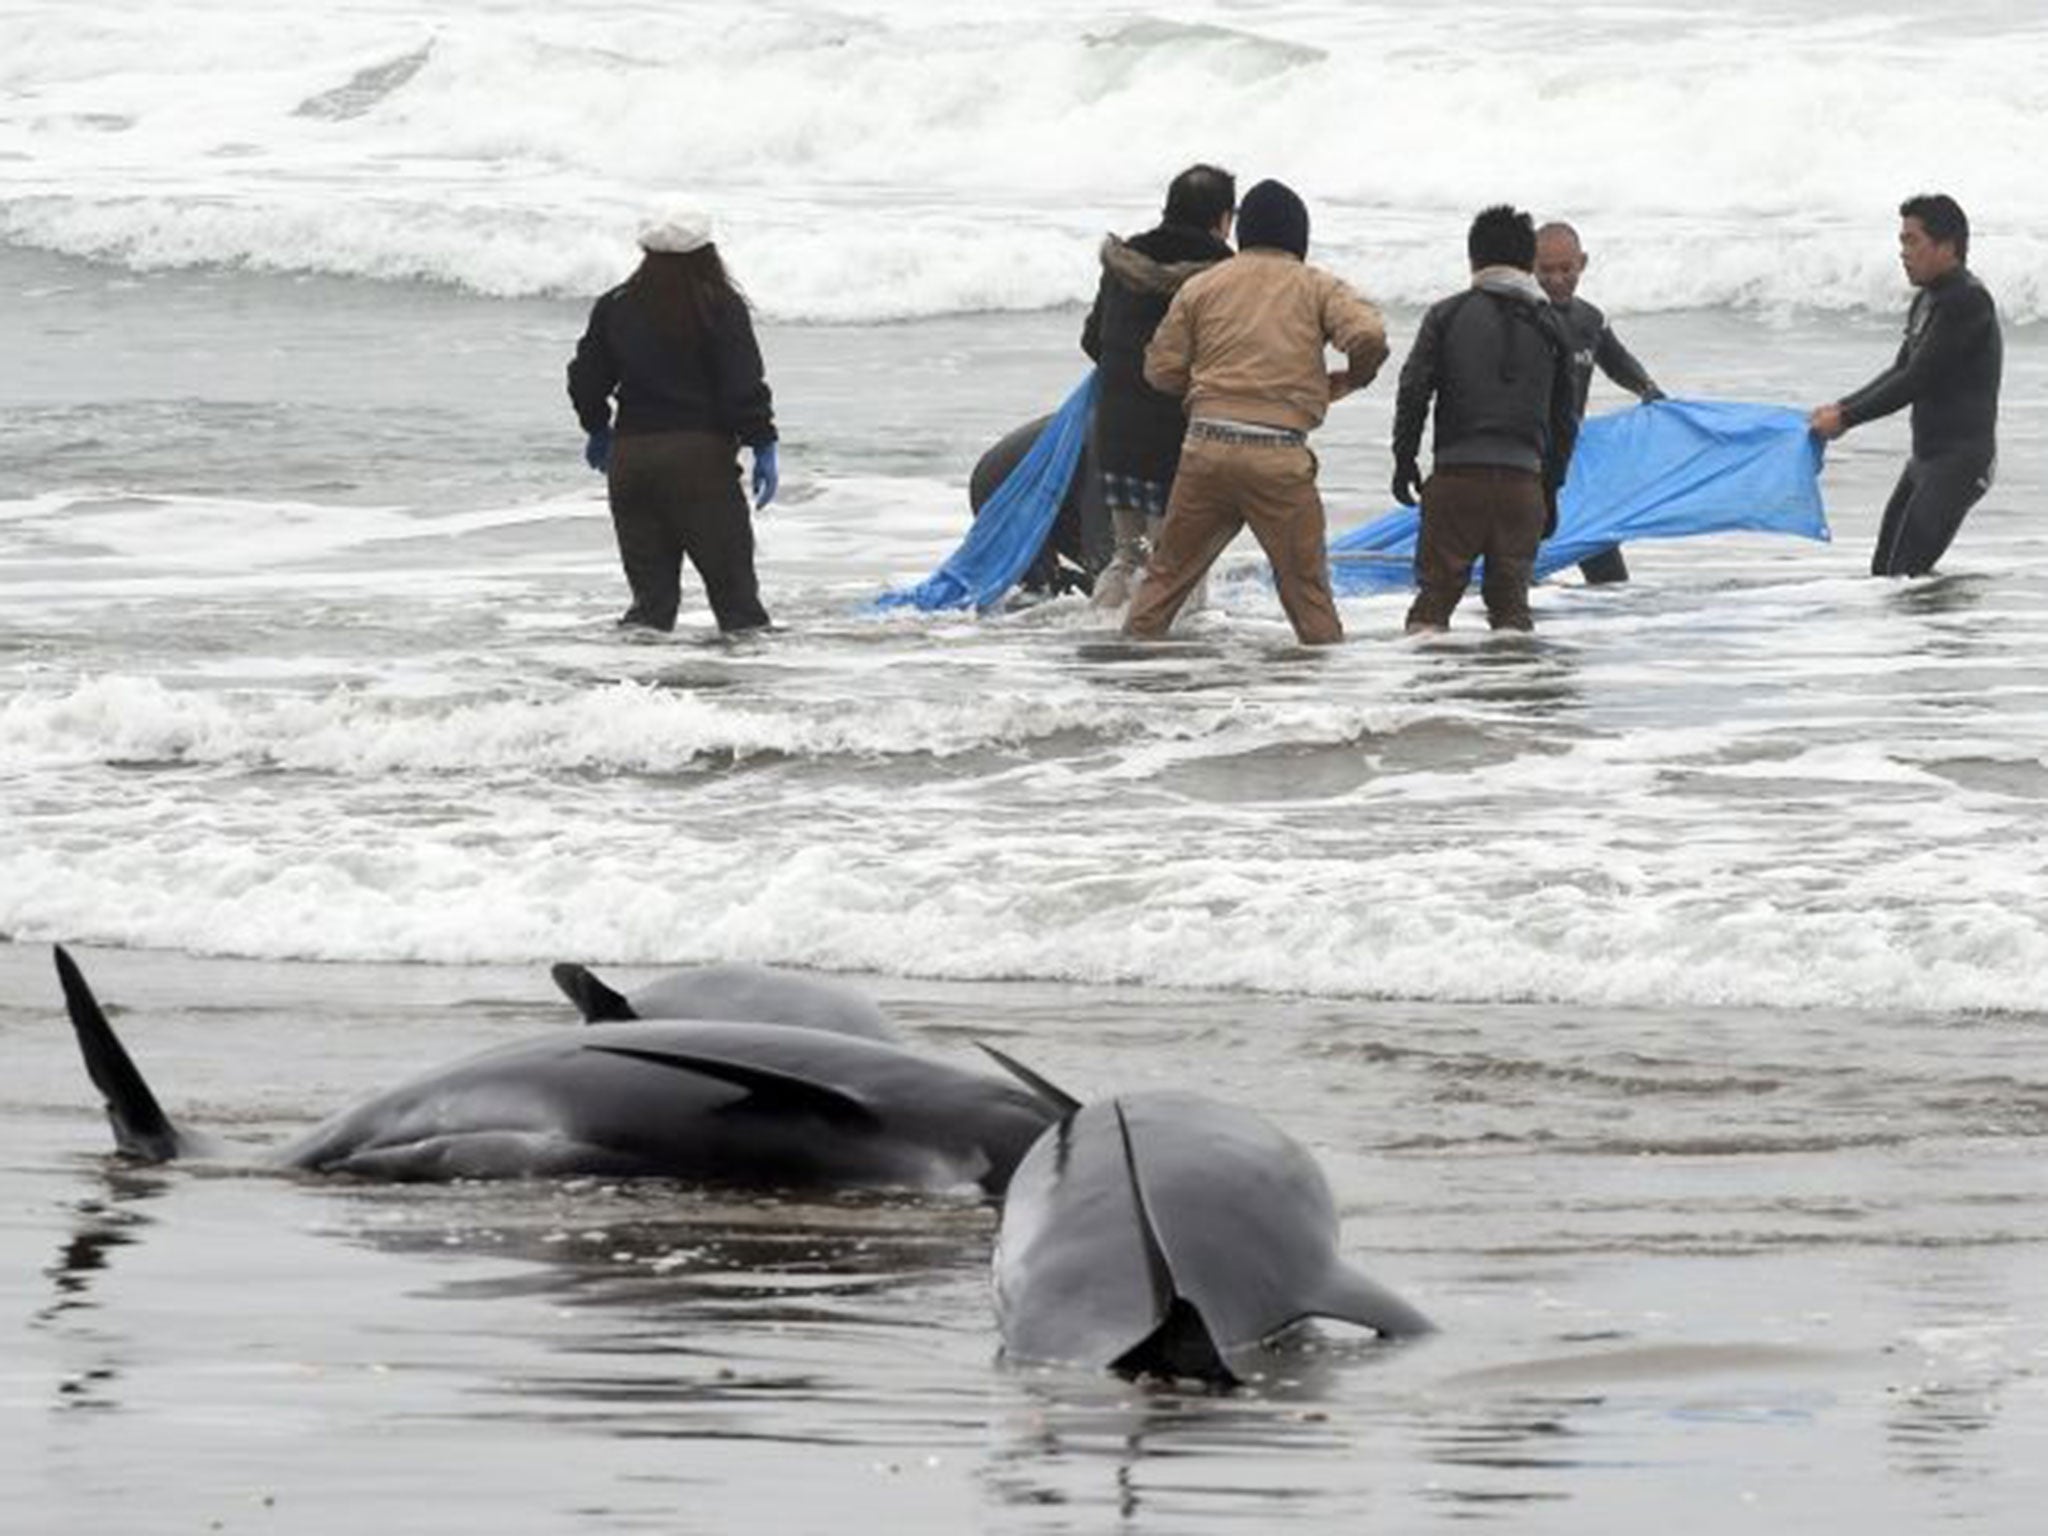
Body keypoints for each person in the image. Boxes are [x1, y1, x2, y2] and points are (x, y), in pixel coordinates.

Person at [1122, 178, 1388, 646]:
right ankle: (1328, 704)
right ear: (1298, 239)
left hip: (1205, 450)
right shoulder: (1317, 286)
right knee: (1306, 593)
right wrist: (1350, 380)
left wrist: (1210, 393)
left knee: (1163, 583)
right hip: (1278, 458)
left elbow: (1159, 370)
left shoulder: (1202, 286)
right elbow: (1367, 336)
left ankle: (1129, 685)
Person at [567, 208, 779, 633]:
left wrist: (597, 429)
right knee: (739, 610)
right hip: (699, 463)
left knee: (650, 609)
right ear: (707, 252)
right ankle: (745, 697)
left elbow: (585, 378)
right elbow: (742, 383)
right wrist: (763, 443)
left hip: (632, 462)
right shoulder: (719, 305)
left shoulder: (616, 305)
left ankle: (634, 694)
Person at [1392, 205, 1578, 634]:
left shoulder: (1447, 315)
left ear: (1472, 259)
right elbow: (1564, 420)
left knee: (1433, 605)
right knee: (1512, 609)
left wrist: (1405, 461)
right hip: (1522, 486)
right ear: (1528, 261)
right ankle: (1510, 692)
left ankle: (1428, 697)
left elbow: (1413, 392)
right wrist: (1550, 487)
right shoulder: (1552, 325)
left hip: (1457, 481)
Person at [1809, 194, 2002, 577]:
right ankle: (1937, 631)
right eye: (1902, 242)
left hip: (1959, 463)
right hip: (1926, 461)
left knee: (1903, 577)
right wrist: (1839, 407)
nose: (1903, 252)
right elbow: (1900, 369)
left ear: (1947, 247)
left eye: (1912, 241)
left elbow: (1916, 380)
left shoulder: (1967, 301)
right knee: (1886, 575)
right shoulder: (1927, 300)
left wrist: (1845, 417)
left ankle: (1949, 633)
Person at [1081, 164, 1238, 608]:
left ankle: (1099, 626)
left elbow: (1093, 340)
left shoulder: (1124, 260)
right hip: (1177, 435)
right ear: (1222, 218)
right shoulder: (1224, 273)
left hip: (1114, 429)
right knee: (1181, 560)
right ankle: (1178, 652)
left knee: (1130, 552)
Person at [1533, 220, 1665, 585]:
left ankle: (1599, 637)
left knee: (1610, 581)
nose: (1557, 279)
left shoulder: (1589, 320)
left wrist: (1648, 389)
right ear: (1529, 265)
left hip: (1573, 465)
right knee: (1519, 569)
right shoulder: (1520, 317)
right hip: (1525, 464)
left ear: (1583, 264)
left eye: (1566, 269)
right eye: (1545, 270)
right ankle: (1513, 637)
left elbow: (1617, 362)